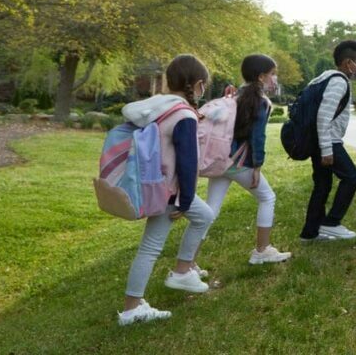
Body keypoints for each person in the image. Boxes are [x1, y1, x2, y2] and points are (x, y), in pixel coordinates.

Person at [118, 54, 217, 326]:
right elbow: (187, 162)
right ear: (198, 85)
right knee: (151, 247)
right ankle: (136, 306)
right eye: (204, 85)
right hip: (169, 191)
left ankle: (179, 273)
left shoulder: (158, 107)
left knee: (204, 216)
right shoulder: (184, 115)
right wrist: (185, 200)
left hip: (154, 184)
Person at [200, 54, 291, 265]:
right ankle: (262, 250)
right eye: (272, 74)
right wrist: (257, 166)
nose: (275, 78)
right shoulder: (260, 102)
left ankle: (188, 264)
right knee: (267, 198)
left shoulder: (234, 96)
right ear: (261, 77)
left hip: (222, 159)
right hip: (240, 162)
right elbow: (257, 137)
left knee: (211, 209)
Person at [300, 40, 356, 241]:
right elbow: (323, 117)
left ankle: (310, 233)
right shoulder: (339, 82)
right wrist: (327, 149)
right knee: (351, 177)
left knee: (322, 185)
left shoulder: (322, 78)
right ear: (348, 63)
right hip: (329, 141)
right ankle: (331, 223)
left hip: (317, 140)